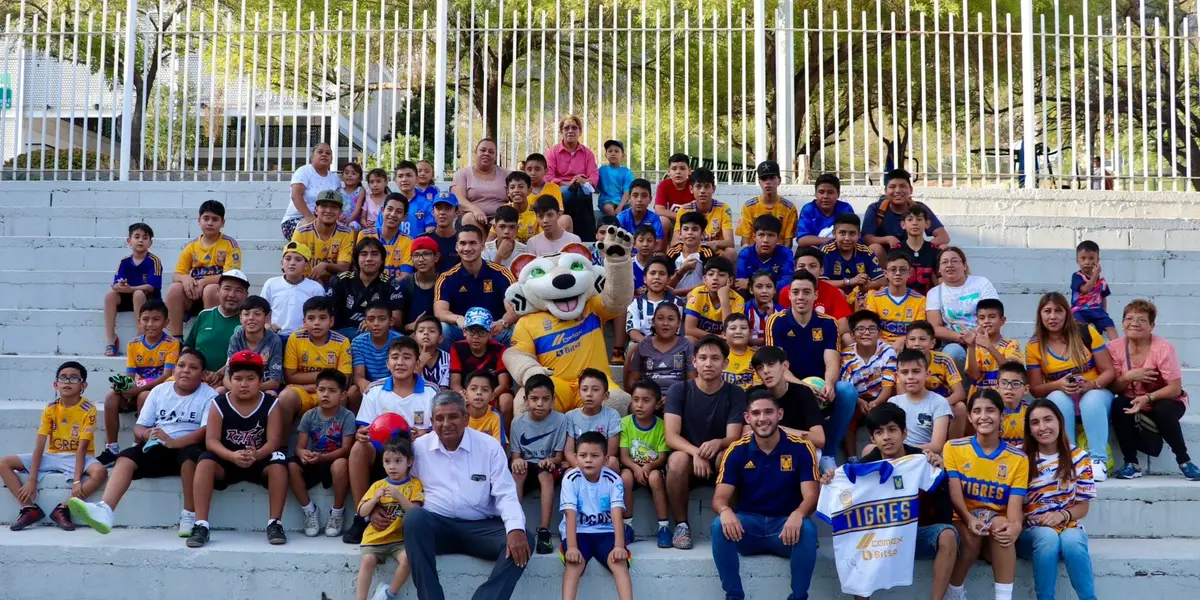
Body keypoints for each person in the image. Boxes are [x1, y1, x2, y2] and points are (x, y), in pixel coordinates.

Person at [67, 349, 216, 537]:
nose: (185, 370)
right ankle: (105, 510)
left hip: (187, 445)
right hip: (159, 445)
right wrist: (148, 434)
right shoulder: (160, 391)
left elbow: (204, 432)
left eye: (193, 367)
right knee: (126, 457)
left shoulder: (208, 395)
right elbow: (139, 426)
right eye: (181, 365)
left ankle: (189, 515)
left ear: (203, 375)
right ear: (173, 369)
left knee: (191, 457)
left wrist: (174, 442)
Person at [402, 391, 532, 600]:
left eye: (453, 416)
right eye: (440, 418)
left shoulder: (489, 446)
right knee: (414, 519)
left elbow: (506, 493)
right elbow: (402, 484)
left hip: (480, 528)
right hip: (438, 527)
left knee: (524, 538)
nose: (446, 424)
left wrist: (515, 528)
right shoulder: (418, 448)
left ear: (466, 418)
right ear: (432, 421)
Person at [824, 402, 957, 600]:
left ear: (904, 433)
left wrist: (940, 476)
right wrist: (830, 480)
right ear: (872, 438)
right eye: (879, 432)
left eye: (892, 430)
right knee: (853, 543)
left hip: (916, 534)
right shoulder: (865, 466)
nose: (886, 437)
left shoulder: (921, 460)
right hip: (881, 537)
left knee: (947, 535)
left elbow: (945, 514)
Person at [711, 389, 820, 600]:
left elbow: (811, 496)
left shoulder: (802, 448)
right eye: (756, 413)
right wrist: (725, 510)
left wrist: (797, 514)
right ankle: (734, 596)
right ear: (747, 418)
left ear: (779, 414)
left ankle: (798, 597)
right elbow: (719, 498)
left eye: (768, 412)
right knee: (718, 526)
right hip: (748, 527)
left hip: (786, 530)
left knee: (807, 528)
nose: (762, 419)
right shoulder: (736, 450)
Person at [187, 350, 288, 547]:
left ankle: (275, 522)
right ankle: (201, 524)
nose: (244, 384)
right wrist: (231, 455)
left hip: (259, 458)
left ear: (260, 380)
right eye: (238, 378)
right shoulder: (219, 403)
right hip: (228, 459)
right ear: (230, 380)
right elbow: (212, 441)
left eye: (251, 379)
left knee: (278, 460)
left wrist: (258, 454)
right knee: (205, 461)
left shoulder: (271, 403)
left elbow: (273, 441)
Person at [344, 337, 438, 544]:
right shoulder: (375, 390)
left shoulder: (431, 392)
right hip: (382, 456)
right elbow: (364, 428)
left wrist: (425, 434)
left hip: (415, 456)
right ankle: (362, 516)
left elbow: (439, 429)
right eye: (395, 357)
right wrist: (362, 435)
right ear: (387, 363)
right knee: (359, 448)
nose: (400, 362)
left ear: (417, 363)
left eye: (407, 357)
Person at [765, 270, 858, 471]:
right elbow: (778, 365)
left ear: (815, 296)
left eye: (806, 292)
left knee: (847, 391)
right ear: (789, 294)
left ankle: (829, 453)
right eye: (796, 292)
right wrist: (804, 388)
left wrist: (829, 384)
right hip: (789, 385)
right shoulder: (776, 321)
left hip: (819, 386)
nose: (801, 297)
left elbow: (832, 360)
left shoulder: (828, 322)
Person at [943, 390, 1029, 600]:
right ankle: (954, 592)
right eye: (977, 411)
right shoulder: (953, 448)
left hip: (994, 527)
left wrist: (1015, 527)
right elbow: (955, 496)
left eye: (990, 410)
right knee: (972, 538)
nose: (984, 416)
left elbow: (1014, 508)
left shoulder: (1018, 458)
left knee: (1003, 529)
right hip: (963, 521)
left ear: (1002, 415)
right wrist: (970, 518)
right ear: (970, 417)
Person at [664, 335, 748, 549]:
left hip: (718, 460)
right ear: (694, 362)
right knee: (676, 460)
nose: (708, 363)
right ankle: (682, 526)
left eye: (715, 358)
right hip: (690, 461)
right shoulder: (679, 390)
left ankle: (729, 523)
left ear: (725, 363)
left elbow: (733, 437)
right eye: (702, 358)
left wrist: (718, 442)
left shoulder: (735, 393)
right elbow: (671, 436)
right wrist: (696, 453)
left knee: (727, 455)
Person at [1, 361, 104, 531]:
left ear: (83, 385)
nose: (67, 382)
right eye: (63, 378)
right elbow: (40, 444)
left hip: (77, 457)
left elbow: (82, 448)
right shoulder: (51, 408)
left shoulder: (88, 408)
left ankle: (64, 508)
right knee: (4, 463)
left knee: (99, 472)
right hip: (53, 455)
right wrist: (32, 479)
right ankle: (29, 508)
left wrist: (77, 480)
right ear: (55, 384)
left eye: (73, 378)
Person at [1025, 292, 1116, 482]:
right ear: (1040, 315)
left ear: (1067, 313)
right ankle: (1070, 457)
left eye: (1058, 311)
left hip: (1095, 394)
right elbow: (1035, 388)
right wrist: (1059, 384)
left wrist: (1091, 384)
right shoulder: (1034, 345)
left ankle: (1097, 460)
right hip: (1064, 398)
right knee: (1057, 397)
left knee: (1091, 400)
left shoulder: (1086, 332)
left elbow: (1109, 371)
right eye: (1047, 311)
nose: (1053, 316)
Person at [1107, 300, 1200, 480]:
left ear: (1152, 326)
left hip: (1165, 400)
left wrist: (1148, 398)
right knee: (1118, 404)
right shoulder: (1114, 347)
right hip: (1132, 401)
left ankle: (1184, 460)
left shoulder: (1162, 347)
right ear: (1123, 323)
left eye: (1141, 320)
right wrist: (1128, 376)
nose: (1134, 323)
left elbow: (1175, 388)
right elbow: (1113, 387)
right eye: (1129, 318)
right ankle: (1131, 464)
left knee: (1163, 409)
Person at [1020, 399, 1098, 600]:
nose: (1043, 427)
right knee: (1047, 537)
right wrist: (1031, 519)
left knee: (1072, 540)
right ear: (1029, 429)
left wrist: (1061, 515)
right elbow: (1011, 505)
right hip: (1032, 534)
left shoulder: (1079, 457)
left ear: (1060, 422)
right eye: (1035, 422)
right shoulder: (1019, 457)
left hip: (1067, 528)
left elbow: (1083, 507)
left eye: (1048, 420)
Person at [99, 300, 179, 464]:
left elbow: (166, 376)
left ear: (166, 322)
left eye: (156, 319)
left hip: (158, 393)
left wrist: (136, 390)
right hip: (139, 389)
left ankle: (139, 443)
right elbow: (130, 375)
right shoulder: (134, 344)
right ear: (139, 322)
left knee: (144, 395)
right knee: (110, 397)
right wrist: (123, 386)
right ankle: (112, 448)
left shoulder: (172, 343)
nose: (150, 324)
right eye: (146, 319)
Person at [559, 431, 634, 600]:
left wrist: (619, 546)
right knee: (573, 563)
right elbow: (570, 515)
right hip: (578, 532)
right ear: (576, 457)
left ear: (606, 460)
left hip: (606, 532)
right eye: (583, 455)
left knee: (619, 562)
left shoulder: (613, 479)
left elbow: (616, 513)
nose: (588, 460)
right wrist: (571, 547)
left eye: (594, 455)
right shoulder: (570, 479)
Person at [289, 369, 356, 538]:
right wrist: (303, 453)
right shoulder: (309, 415)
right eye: (321, 390)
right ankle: (309, 510)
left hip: (334, 461)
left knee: (341, 464)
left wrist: (323, 458)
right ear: (316, 391)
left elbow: (347, 448)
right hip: (315, 460)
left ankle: (337, 512)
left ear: (342, 394)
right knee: (290, 465)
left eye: (332, 391)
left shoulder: (347, 416)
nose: (325, 395)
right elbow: (299, 446)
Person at [356, 437, 423, 600]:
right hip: (375, 539)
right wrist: (374, 500)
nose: (392, 466)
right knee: (367, 561)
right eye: (387, 461)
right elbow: (362, 512)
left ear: (409, 462)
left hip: (399, 540)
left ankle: (388, 594)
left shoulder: (414, 485)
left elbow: (415, 511)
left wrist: (399, 496)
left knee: (408, 560)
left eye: (397, 461)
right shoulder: (378, 485)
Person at [509, 374, 568, 555]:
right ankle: (515, 525)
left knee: (545, 474)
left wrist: (550, 461)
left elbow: (559, 457)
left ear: (552, 399)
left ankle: (544, 531)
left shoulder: (560, 420)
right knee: (517, 473)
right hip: (526, 467)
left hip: (549, 466)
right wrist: (517, 460)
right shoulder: (517, 422)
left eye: (545, 399)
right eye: (534, 399)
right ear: (526, 400)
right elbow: (516, 456)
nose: (540, 404)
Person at [166, 200, 242, 337]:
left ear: (222, 223)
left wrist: (203, 282)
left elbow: (231, 276)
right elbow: (176, 274)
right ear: (199, 220)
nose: (210, 223)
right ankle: (176, 338)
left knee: (210, 289)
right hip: (193, 293)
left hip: (215, 294)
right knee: (174, 289)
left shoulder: (230, 244)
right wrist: (185, 278)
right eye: (206, 218)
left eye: (215, 219)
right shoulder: (192, 246)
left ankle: (208, 336)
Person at [434, 225, 516, 347]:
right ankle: (449, 366)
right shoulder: (447, 277)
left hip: (493, 332)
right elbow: (439, 311)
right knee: (443, 328)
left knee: (516, 329)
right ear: (457, 247)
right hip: (464, 332)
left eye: (473, 243)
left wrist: (503, 322)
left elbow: (514, 308)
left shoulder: (501, 273)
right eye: (463, 243)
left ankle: (513, 365)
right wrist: (457, 319)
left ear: (482, 246)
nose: (467, 248)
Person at [280, 296, 355, 422]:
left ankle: (335, 440)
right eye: (311, 318)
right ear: (304, 322)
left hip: (329, 391)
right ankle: (283, 442)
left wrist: (309, 384)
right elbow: (290, 377)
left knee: (341, 397)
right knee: (286, 396)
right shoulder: (295, 338)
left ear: (331, 321)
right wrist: (329, 375)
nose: (316, 323)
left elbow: (343, 380)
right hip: (302, 392)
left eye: (322, 318)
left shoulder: (342, 342)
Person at [926, 247, 999, 373]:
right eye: (944, 262)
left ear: (964, 265)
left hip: (984, 338)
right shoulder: (934, 293)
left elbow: (993, 315)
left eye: (954, 261)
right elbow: (934, 328)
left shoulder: (981, 283)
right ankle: (965, 392)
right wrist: (963, 337)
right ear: (939, 269)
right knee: (952, 352)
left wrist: (976, 337)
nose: (949, 265)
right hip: (955, 342)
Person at [619, 380, 672, 547]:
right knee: (625, 477)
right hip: (631, 467)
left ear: (657, 405)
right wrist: (635, 468)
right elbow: (624, 456)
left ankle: (664, 527)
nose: (639, 405)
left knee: (656, 477)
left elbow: (662, 456)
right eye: (635, 400)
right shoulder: (625, 423)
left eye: (646, 400)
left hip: (653, 468)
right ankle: (627, 526)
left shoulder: (662, 426)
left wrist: (648, 466)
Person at [839, 310, 897, 456]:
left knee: (885, 416)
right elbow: (847, 387)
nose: (866, 333)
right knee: (846, 416)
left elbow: (888, 386)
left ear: (879, 333)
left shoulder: (887, 351)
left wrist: (876, 403)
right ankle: (852, 457)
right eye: (860, 329)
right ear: (852, 335)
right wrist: (859, 402)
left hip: (882, 398)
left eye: (872, 329)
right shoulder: (846, 356)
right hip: (856, 399)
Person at [861, 168, 950, 259]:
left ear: (910, 190)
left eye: (903, 186)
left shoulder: (919, 208)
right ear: (886, 191)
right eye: (892, 187)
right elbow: (867, 238)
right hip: (887, 259)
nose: (898, 190)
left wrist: (923, 247)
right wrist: (888, 239)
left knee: (944, 248)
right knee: (875, 248)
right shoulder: (876, 209)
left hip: (916, 255)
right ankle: (881, 273)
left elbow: (944, 237)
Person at [326, 237, 405, 338]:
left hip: (379, 332)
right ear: (356, 259)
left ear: (382, 260)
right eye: (364, 254)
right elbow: (328, 314)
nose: (369, 259)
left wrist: (373, 323)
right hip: (343, 334)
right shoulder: (340, 280)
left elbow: (396, 320)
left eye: (375, 254)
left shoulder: (391, 284)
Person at [185, 269, 250, 390]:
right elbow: (188, 346)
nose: (232, 294)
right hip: (197, 377)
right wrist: (197, 370)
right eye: (227, 288)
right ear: (218, 291)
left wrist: (220, 374)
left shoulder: (248, 322)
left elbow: (246, 356)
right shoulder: (204, 315)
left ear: (246, 295)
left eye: (238, 290)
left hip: (229, 383)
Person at [104, 222, 162, 355]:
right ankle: (110, 339)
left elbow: (152, 287)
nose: (140, 240)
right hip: (127, 297)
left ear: (150, 243)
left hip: (147, 300)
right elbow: (116, 284)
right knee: (110, 295)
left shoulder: (154, 261)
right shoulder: (124, 261)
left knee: (138, 294)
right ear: (129, 241)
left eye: (145, 237)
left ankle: (140, 335)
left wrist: (131, 289)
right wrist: (121, 285)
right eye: (137, 237)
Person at [902, 321, 968, 436]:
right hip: (915, 405)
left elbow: (960, 393)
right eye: (912, 339)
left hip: (943, 405)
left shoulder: (944, 360)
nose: (917, 344)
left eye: (922, 339)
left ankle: (953, 448)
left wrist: (937, 406)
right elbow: (902, 396)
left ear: (932, 343)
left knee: (960, 407)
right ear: (906, 343)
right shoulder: (902, 363)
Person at [449, 308, 514, 426]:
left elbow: (504, 385)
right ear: (464, 331)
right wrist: (466, 396)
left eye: (482, 331)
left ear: (490, 334)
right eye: (472, 331)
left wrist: (486, 397)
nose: (476, 336)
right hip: (468, 394)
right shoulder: (457, 348)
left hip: (492, 394)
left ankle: (505, 438)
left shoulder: (500, 349)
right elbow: (455, 383)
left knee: (506, 400)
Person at [751, 347, 826, 448]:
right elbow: (747, 433)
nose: (766, 371)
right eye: (760, 368)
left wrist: (774, 429)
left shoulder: (803, 393)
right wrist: (796, 434)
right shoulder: (754, 394)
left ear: (785, 366)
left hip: (797, 450)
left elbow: (819, 439)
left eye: (771, 364)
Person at [545, 116, 601, 241]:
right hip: (561, 188)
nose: (570, 131)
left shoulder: (587, 153)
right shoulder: (552, 153)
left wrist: (585, 181)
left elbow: (594, 176)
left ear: (580, 131)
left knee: (584, 192)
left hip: (581, 187)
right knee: (568, 193)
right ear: (561, 132)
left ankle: (587, 239)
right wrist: (567, 183)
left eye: (574, 127)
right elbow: (548, 177)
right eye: (566, 128)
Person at [885, 350, 952, 453]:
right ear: (897, 376)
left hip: (925, 456)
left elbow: (937, 446)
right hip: (897, 455)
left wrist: (904, 451)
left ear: (927, 374)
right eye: (904, 372)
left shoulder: (939, 402)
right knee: (869, 449)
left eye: (916, 371)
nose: (910, 377)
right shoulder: (894, 402)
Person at [777, 248, 853, 339]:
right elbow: (783, 324)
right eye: (801, 266)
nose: (807, 270)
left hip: (825, 339)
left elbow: (843, 327)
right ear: (795, 269)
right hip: (795, 339)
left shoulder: (834, 291)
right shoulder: (786, 292)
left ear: (821, 270)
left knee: (847, 338)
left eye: (812, 266)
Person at [260, 242, 325, 340]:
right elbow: (262, 310)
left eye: (298, 259)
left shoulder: (315, 288)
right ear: (282, 263)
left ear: (306, 266)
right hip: (275, 336)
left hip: (304, 337)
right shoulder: (271, 284)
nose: (292, 263)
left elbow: (321, 315)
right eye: (288, 259)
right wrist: (268, 326)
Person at [222, 296, 284, 396]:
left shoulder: (274, 340)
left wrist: (249, 389)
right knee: (220, 391)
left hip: (264, 388)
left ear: (267, 318)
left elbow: (275, 381)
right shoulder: (236, 339)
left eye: (257, 314)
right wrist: (239, 390)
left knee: (271, 394)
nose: (251, 318)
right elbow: (226, 377)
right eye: (246, 314)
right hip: (238, 388)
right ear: (241, 318)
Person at [625, 302, 694, 392]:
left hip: (678, 398)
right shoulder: (644, 345)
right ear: (653, 322)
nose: (665, 323)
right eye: (660, 318)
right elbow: (632, 381)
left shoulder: (687, 345)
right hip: (649, 398)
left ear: (678, 323)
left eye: (671, 319)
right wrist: (650, 396)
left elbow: (692, 380)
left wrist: (675, 396)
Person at [290, 190, 356, 284]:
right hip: (306, 281)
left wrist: (325, 265)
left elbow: (344, 267)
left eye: (334, 207)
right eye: (324, 206)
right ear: (316, 209)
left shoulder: (347, 233)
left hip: (334, 284)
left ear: (340, 212)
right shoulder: (301, 232)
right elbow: (295, 264)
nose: (328, 211)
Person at [564, 368, 623, 472]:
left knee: (613, 461)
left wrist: (594, 468)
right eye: (584, 389)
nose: (589, 394)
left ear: (606, 395)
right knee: (568, 473)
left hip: (603, 464)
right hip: (580, 463)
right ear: (579, 392)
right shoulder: (570, 416)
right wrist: (581, 468)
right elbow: (569, 451)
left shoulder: (612, 415)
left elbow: (611, 452)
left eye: (595, 390)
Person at [821, 212, 885, 308]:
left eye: (852, 233)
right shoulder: (826, 251)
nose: (847, 238)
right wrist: (850, 282)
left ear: (859, 235)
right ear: (834, 234)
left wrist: (869, 285)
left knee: (876, 292)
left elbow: (883, 280)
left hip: (860, 297)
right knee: (839, 293)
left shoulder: (865, 252)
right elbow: (821, 283)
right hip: (835, 298)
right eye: (842, 233)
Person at [864, 250, 926, 347]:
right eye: (893, 269)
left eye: (903, 269)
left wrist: (902, 341)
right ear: (885, 273)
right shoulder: (874, 298)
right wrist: (886, 346)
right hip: (880, 346)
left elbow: (918, 331)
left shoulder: (920, 300)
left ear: (910, 273)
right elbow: (870, 328)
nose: (898, 273)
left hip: (909, 347)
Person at [965, 299, 1022, 398]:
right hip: (979, 399)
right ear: (977, 321)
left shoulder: (1011, 344)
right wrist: (970, 346)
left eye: (992, 317)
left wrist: (989, 346)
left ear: (1002, 320)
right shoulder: (975, 347)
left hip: (1004, 399)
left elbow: (1013, 371)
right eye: (982, 318)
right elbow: (974, 375)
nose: (986, 321)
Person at [283, 142, 340, 239]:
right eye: (320, 152)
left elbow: (337, 204)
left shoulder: (335, 180)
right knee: (311, 231)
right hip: (299, 219)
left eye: (328, 153)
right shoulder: (304, 171)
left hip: (325, 221)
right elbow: (296, 196)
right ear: (312, 157)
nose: (324, 155)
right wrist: (311, 219)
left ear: (331, 160)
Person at [672, 167, 735, 255]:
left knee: (731, 252)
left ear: (713, 188)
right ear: (691, 189)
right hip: (690, 252)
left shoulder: (723, 208)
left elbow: (730, 242)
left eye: (706, 186)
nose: (702, 191)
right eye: (698, 186)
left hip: (714, 252)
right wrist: (698, 245)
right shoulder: (684, 210)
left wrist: (713, 244)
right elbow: (674, 242)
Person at [737, 160, 799, 249]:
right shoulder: (748, 207)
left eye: (772, 178)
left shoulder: (789, 208)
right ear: (759, 182)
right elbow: (745, 240)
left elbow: (788, 242)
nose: (768, 182)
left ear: (779, 180)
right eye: (764, 178)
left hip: (779, 254)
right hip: (754, 253)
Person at [625, 256, 682, 351]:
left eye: (662, 274)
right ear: (645, 279)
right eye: (652, 273)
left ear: (668, 279)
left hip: (670, 344)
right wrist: (651, 346)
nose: (656, 277)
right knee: (632, 347)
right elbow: (633, 332)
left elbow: (675, 330)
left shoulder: (676, 302)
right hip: (644, 344)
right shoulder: (636, 304)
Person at [450, 137, 510, 228]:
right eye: (482, 150)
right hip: (471, 218)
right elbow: (458, 199)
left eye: (491, 152)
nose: (486, 153)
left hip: (501, 219)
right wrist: (475, 210)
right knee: (469, 218)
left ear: (496, 156)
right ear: (476, 153)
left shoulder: (506, 174)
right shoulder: (463, 174)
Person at [684, 256, 745, 339]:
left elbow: (731, 333)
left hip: (725, 344)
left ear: (730, 281)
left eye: (721, 275)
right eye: (710, 274)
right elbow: (689, 329)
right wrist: (718, 337)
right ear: (705, 279)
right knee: (689, 339)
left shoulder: (737, 299)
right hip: (702, 341)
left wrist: (724, 300)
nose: (715, 278)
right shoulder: (698, 293)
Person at [357, 193, 414, 280]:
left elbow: (405, 275)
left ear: (404, 217)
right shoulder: (364, 235)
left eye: (398, 211)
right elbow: (358, 268)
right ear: (382, 210)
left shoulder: (409, 241)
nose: (392, 214)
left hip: (395, 290)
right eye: (389, 209)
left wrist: (385, 288)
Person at [1071, 240, 1118, 341]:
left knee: (1110, 326)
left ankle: (1117, 347)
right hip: (1080, 310)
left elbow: (1103, 298)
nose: (1087, 262)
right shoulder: (1077, 277)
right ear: (1077, 260)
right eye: (1083, 258)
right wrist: (1095, 275)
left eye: (1091, 258)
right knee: (1079, 327)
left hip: (1097, 311)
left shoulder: (1102, 281)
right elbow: (1085, 289)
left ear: (1097, 260)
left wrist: (1104, 313)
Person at [889, 205, 941, 294]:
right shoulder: (896, 250)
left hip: (928, 300)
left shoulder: (935, 251)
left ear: (927, 224)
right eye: (910, 219)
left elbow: (941, 280)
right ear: (903, 224)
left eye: (919, 219)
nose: (915, 223)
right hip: (904, 299)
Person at [352, 302, 404, 391]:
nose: (376, 324)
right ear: (365, 322)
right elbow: (359, 375)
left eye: (382, 319)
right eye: (371, 319)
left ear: (391, 321)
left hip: (394, 385)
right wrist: (362, 382)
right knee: (353, 391)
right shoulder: (358, 342)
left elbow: (401, 372)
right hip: (370, 386)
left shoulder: (400, 341)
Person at [735, 215, 794, 293]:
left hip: (775, 295)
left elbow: (788, 282)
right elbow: (740, 282)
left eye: (771, 235)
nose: (765, 240)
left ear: (778, 238)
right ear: (754, 237)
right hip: (751, 296)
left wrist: (750, 285)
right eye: (761, 235)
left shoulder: (785, 253)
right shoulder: (745, 254)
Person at [796, 172, 854, 250]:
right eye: (821, 192)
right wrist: (833, 241)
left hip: (840, 250)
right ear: (815, 193)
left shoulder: (845, 208)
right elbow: (802, 240)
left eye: (830, 192)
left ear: (838, 194)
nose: (825, 196)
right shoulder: (808, 209)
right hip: (815, 251)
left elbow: (854, 235)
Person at [666, 211, 717, 296]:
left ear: (703, 234)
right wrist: (683, 269)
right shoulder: (673, 252)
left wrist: (679, 293)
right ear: (680, 233)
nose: (690, 232)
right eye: (686, 229)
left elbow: (709, 283)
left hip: (699, 299)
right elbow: (667, 285)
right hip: (674, 300)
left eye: (695, 229)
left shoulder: (707, 253)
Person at [399, 236, 440, 335]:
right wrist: (408, 327)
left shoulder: (445, 282)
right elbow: (395, 322)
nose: (421, 259)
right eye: (416, 255)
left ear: (436, 257)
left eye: (426, 254)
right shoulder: (404, 284)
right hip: (409, 336)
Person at [617, 179, 665, 252]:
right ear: (629, 198)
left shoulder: (654, 218)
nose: (639, 199)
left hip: (647, 257)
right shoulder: (621, 217)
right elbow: (616, 243)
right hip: (626, 258)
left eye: (644, 196)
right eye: (635, 196)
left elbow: (659, 246)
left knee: (660, 255)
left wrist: (639, 257)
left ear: (650, 199)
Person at [418, 192, 462, 269]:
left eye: (448, 208)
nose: (442, 212)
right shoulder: (422, 239)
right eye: (438, 208)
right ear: (433, 212)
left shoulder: (463, 240)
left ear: (457, 213)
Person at [654, 152, 694, 233]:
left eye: (682, 168)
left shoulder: (694, 185)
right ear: (669, 172)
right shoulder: (664, 185)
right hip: (672, 223)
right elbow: (659, 210)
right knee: (662, 221)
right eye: (674, 169)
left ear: (689, 171)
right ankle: (662, 246)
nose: (678, 172)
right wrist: (682, 217)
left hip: (692, 223)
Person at [394, 162, 435, 238]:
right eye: (400, 176)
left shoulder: (427, 205)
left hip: (418, 249)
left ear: (417, 179)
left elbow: (429, 236)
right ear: (395, 180)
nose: (404, 179)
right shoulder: (388, 204)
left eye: (409, 175)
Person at [998, 362, 1032, 450]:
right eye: (1004, 383)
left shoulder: (1032, 412)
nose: (1009, 387)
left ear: (1025, 389)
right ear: (997, 387)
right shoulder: (991, 413)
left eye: (1016, 383)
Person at [464, 371, 506, 443]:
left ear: (492, 396)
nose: (479, 393)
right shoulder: (460, 414)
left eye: (485, 390)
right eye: (473, 389)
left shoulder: (495, 416)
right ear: (465, 394)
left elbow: (499, 446)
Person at [483, 205, 529, 270]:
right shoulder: (485, 249)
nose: (506, 231)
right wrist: (499, 256)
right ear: (494, 228)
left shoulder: (525, 251)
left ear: (517, 229)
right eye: (502, 226)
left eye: (512, 227)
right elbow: (486, 278)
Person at [413, 315, 452, 390]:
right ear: (414, 338)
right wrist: (420, 365)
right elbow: (409, 385)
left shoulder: (447, 358)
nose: (426, 333)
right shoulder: (410, 357)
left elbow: (444, 388)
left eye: (432, 331)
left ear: (440, 339)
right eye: (421, 331)